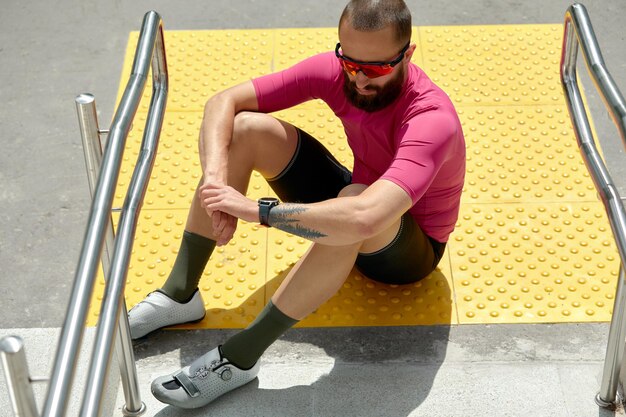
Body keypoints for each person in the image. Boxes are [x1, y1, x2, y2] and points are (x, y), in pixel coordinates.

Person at [128, 0, 465, 409]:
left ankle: (239, 358)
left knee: (355, 202)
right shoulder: (340, 72)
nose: (359, 80)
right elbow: (223, 102)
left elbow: (366, 218)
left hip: (406, 252)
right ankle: (179, 294)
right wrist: (217, 185)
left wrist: (255, 210)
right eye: (349, 62)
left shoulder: (432, 118)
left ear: (407, 55)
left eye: (375, 69)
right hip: (358, 197)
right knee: (247, 129)